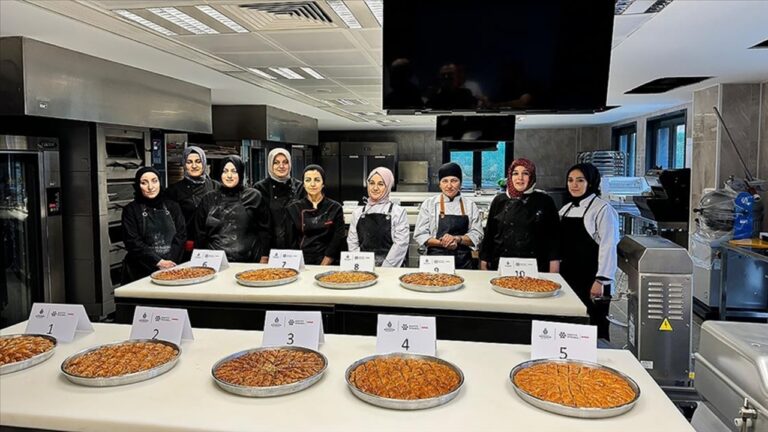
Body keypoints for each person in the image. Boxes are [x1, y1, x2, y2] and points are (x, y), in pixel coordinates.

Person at [559, 163, 620, 340]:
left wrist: (600, 280)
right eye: (570, 180)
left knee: (594, 325)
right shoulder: (566, 209)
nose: (574, 185)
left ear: (591, 183)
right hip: (569, 276)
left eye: (580, 180)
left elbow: (609, 245)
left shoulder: (602, 209)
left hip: (592, 278)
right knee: (572, 323)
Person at [479, 158, 560, 273]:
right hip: (501, 265)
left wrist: (554, 268)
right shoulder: (499, 200)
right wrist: (484, 260)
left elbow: (554, 238)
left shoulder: (545, 201)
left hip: (536, 268)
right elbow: (489, 234)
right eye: (515, 173)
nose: (520, 178)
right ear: (510, 176)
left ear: (532, 176)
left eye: (525, 173)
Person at [192, 155, 271, 263]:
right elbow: (199, 233)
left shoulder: (254, 196)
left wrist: (264, 256)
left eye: (234, 171)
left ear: (240, 173)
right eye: (225, 171)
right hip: (215, 262)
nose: (229, 175)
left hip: (250, 262)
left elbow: (265, 230)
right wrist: (199, 259)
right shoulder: (208, 199)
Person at [121, 167, 186, 284]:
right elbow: (132, 242)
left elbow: (181, 236)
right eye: (144, 183)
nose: (150, 187)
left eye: (154, 181)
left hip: (171, 268)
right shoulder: (131, 210)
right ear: (137, 186)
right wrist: (158, 262)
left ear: (160, 182)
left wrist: (169, 262)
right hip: (140, 272)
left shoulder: (173, 207)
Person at [413, 162, 483, 269]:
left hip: (463, 262)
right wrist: (443, 243)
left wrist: (457, 239)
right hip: (435, 261)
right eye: (445, 181)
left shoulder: (470, 205)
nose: (449, 186)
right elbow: (420, 235)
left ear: (460, 183)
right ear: (440, 184)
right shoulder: (429, 204)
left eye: (454, 181)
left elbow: (477, 235)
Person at [347, 167, 409, 267]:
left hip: (390, 268)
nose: (375, 188)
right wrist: (362, 265)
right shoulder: (357, 213)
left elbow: (400, 245)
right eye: (372, 183)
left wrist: (386, 267)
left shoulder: (398, 212)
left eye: (381, 184)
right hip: (363, 267)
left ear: (388, 186)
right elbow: (352, 243)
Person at [286, 164, 346, 265]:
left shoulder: (335, 208)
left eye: (317, 180)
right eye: (308, 180)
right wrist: (299, 264)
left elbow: (337, 239)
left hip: (329, 260)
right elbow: (291, 241)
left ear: (323, 183)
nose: (312, 184)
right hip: (302, 260)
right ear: (304, 184)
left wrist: (325, 264)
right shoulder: (293, 208)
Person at [165, 146, 220, 251]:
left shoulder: (215, 186)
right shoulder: (173, 191)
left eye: (198, 161)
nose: (194, 166)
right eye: (189, 162)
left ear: (204, 163)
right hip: (186, 246)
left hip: (213, 245)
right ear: (184, 164)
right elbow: (170, 223)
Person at [254, 148, 306, 259]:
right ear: (270, 165)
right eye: (276, 162)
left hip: (297, 248)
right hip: (270, 249)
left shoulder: (300, 187)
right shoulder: (260, 188)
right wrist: (264, 254)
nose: (281, 166)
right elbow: (260, 225)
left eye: (285, 162)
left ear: (290, 164)